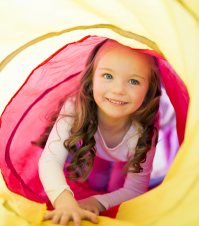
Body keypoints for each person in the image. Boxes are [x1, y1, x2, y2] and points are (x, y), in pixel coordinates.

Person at [37, 38, 162, 226]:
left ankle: (109, 178)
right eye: (108, 76)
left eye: (134, 81)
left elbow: (135, 190)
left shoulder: (145, 131)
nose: (118, 90)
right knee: (96, 182)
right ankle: (100, 169)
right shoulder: (75, 108)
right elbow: (50, 160)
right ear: (91, 79)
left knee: (114, 188)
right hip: (92, 145)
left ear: (148, 90)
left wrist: (97, 201)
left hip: (125, 155)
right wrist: (64, 203)